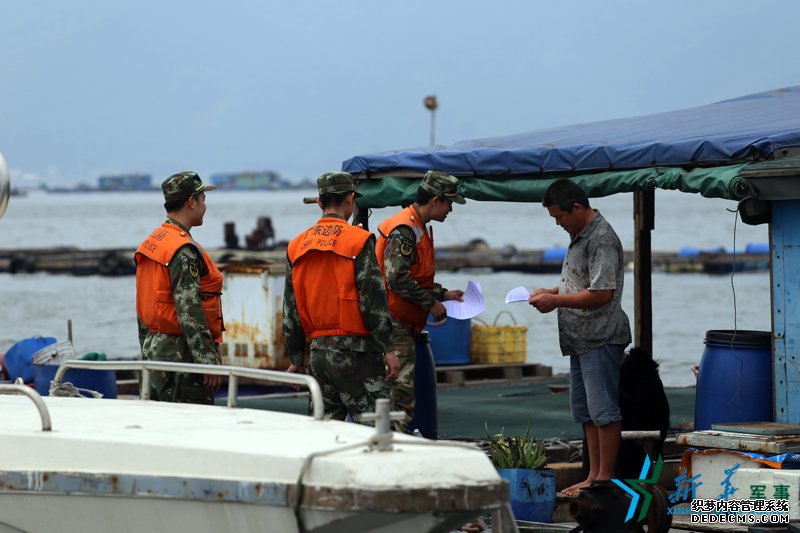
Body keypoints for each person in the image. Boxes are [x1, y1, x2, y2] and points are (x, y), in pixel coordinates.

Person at [529, 178, 631, 496]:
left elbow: (602, 292)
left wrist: (556, 301)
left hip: (601, 336)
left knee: (604, 410)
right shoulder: (579, 235)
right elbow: (583, 282)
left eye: (559, 217)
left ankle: (604, 479)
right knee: (586, 411)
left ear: (576, 208)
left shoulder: (600, 239)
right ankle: (592, 475)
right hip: (579, 338)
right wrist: (553, 290)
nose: (558, 224)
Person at [283, 171, 400, 421]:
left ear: (319, 202)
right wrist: (388, 348)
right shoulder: (358, 240)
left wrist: (295, 357)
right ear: (350, 199)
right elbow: (373, 300)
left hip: (318, 356)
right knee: (373, 430)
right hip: (358, 355)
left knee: (323, 430)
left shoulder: (296, 246)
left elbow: (290, 308)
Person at [375, 170, 465, 433]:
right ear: (435, 200)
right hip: (394, 324)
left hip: (404, 325)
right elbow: (396, 278)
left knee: (401, 397)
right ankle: (392, 455)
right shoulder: (404, 230)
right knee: (399, 398)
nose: (450, 209)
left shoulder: (417, 227)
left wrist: (443, 294)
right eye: (449, 202)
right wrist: (431, 304)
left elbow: (415, 276)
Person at [135, 171, 223, 404]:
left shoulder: (152, 243)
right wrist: (207, 362)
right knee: (191, 426)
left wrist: (146, 352)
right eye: (203, 199)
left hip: (154, 350)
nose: (205, 206)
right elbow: (190, 311)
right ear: (191, 202)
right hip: (180, 357)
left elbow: (143, 306)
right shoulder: (182, 249)